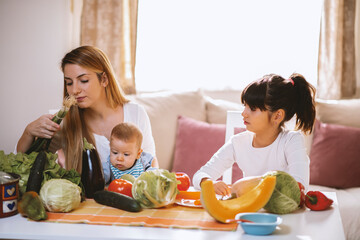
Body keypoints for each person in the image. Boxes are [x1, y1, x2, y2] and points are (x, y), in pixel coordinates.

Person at [16, 46, 159, 183]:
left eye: (83, 80)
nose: (74, 90)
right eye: (69, 83)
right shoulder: (62, 121)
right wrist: (28, 132)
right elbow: (24, 163)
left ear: (104, 79)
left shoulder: (136, 113)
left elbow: (151, 165)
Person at [192, 73, 316, 196]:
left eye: (252, 108)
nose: (244, 114)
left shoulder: (291, 141)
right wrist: (208, 182)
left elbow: (300, 187)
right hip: (249, 211)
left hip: (283, 214)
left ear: (277, 116)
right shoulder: (238, 143)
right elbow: (200, 175)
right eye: (244, 106)